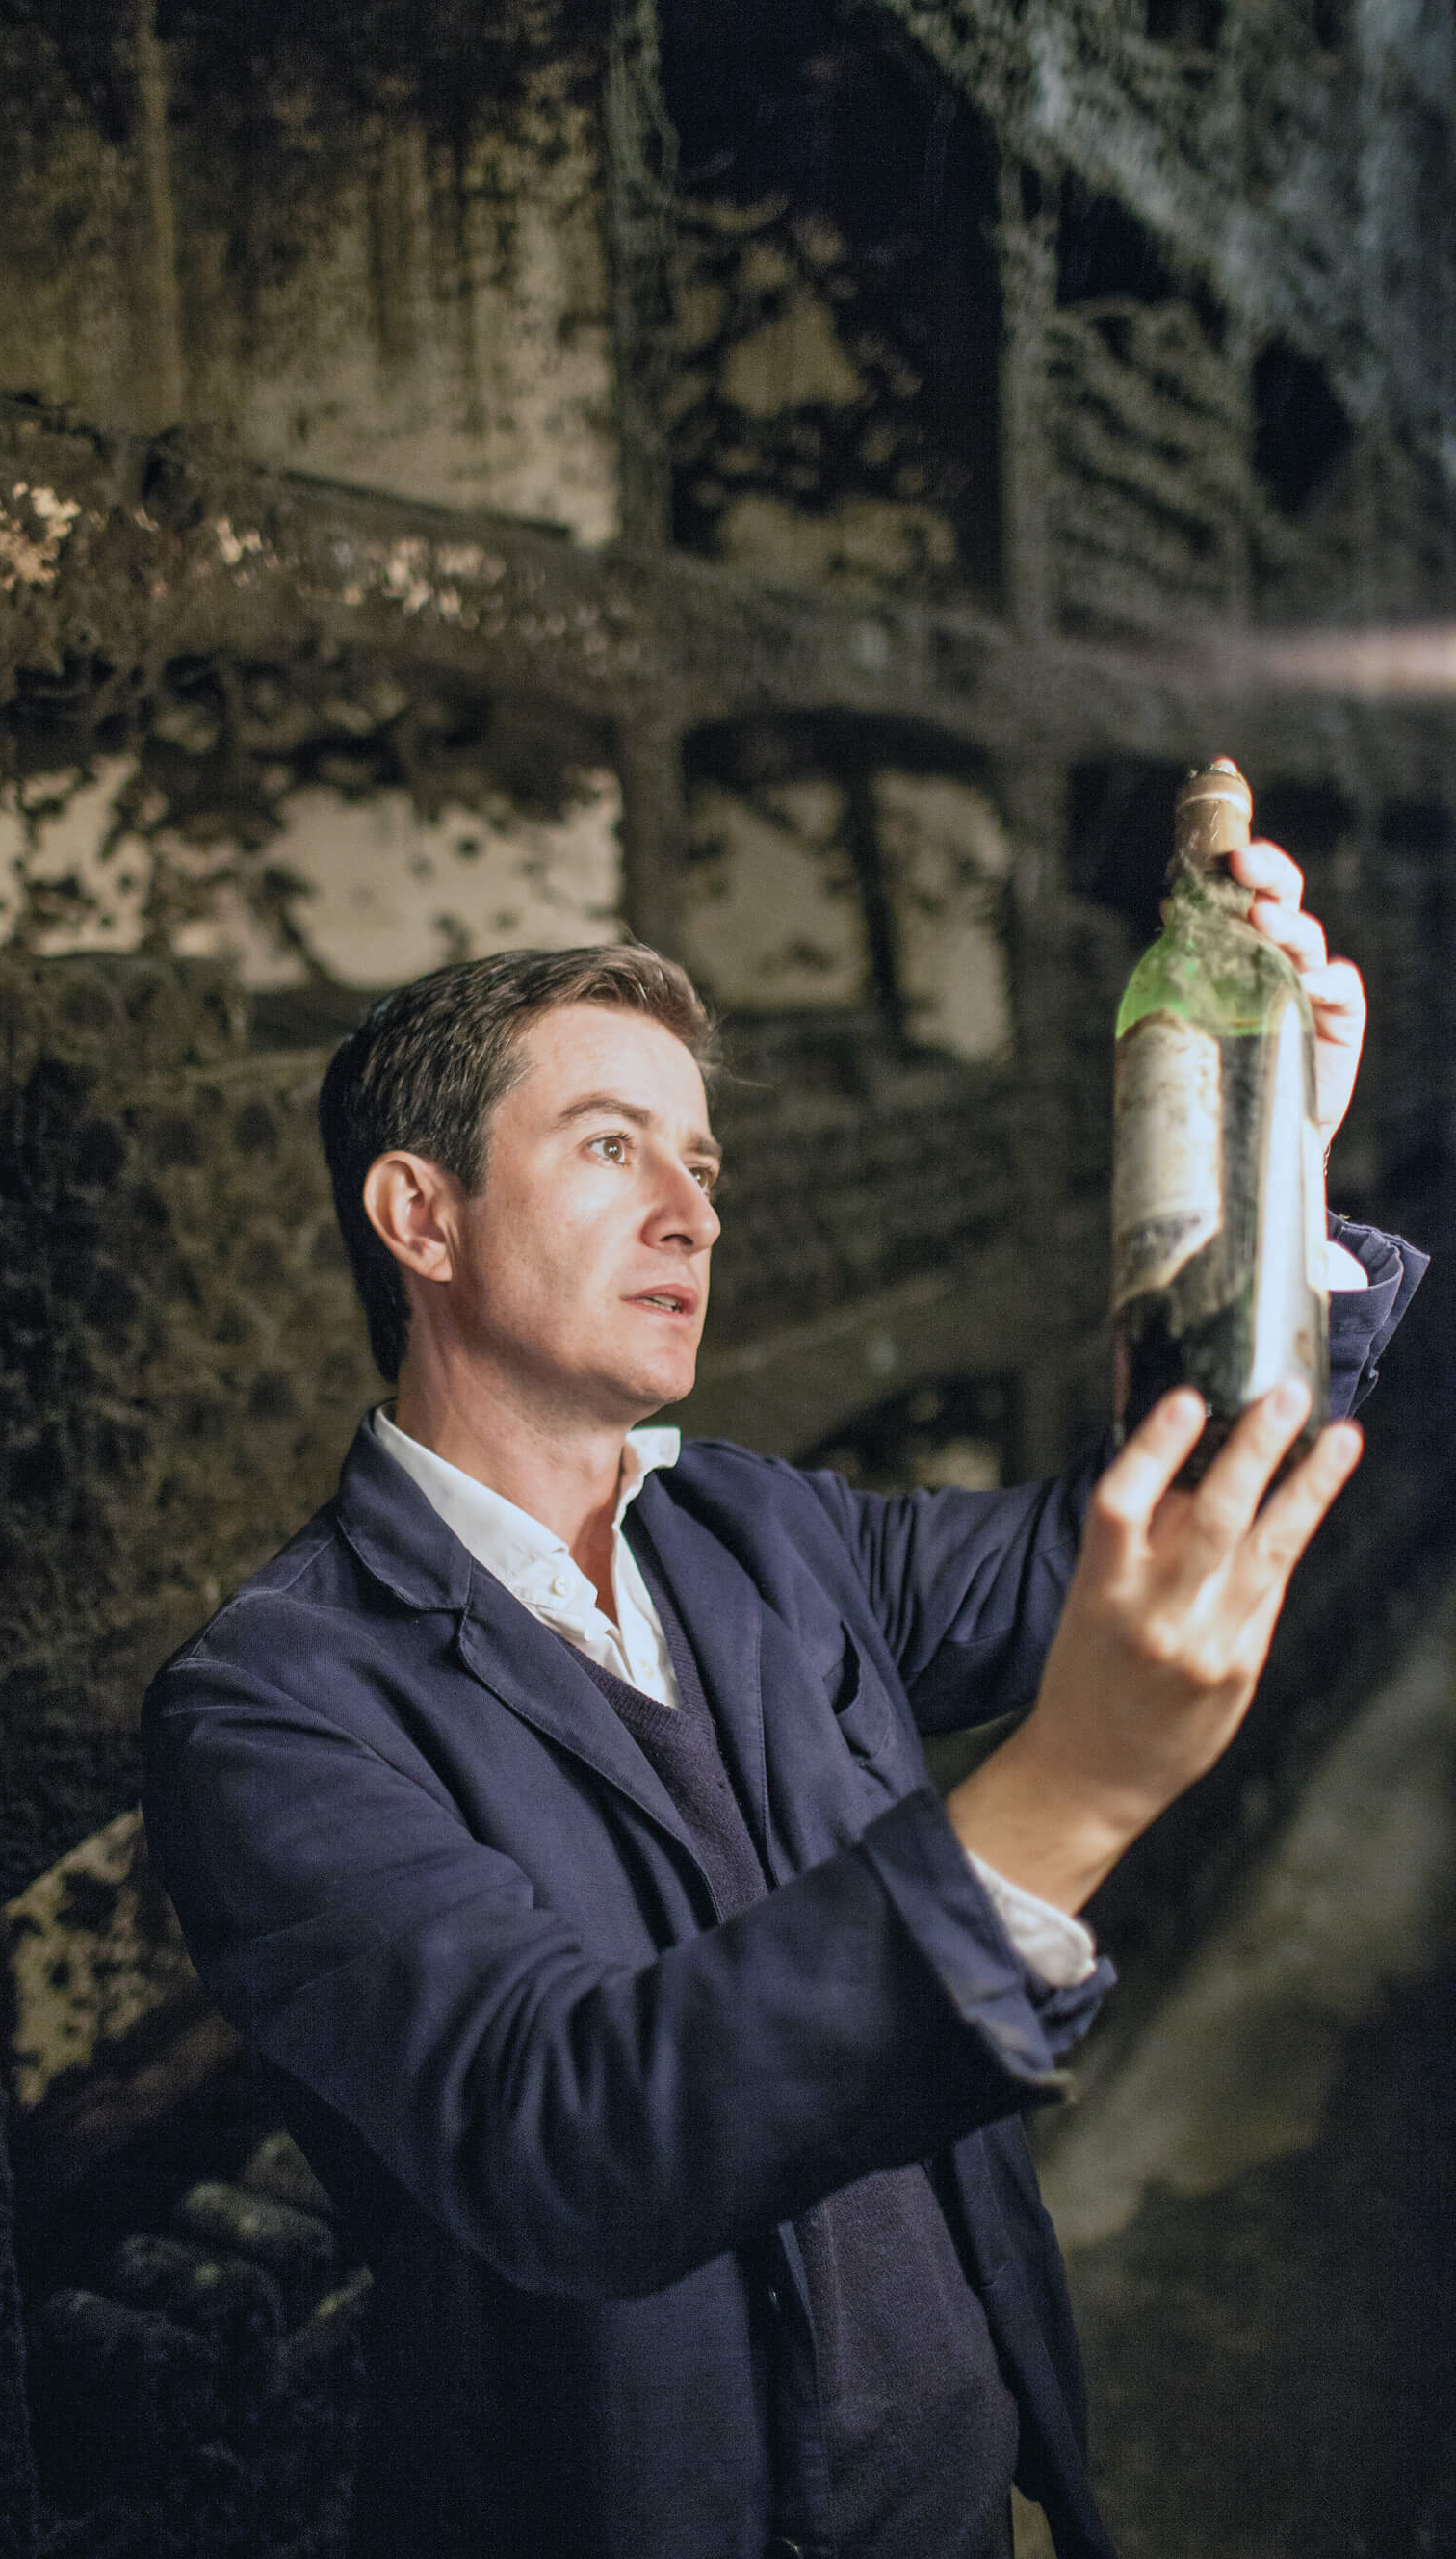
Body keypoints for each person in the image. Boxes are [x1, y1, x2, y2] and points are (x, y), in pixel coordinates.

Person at [143, 824, 1423, 2559]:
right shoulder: (277, 1705)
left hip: (980, 2502)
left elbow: (1149, 1537)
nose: (694, 1212)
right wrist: (1069, 1796)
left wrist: (1270, 1168)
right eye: (612, 1146)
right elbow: (568, 2134)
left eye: (705, 1161)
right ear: (418, 1212)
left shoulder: (752, 1519)